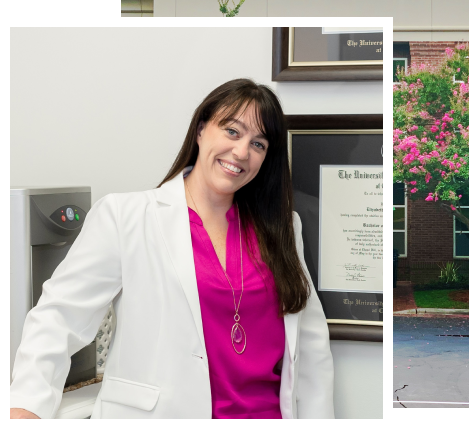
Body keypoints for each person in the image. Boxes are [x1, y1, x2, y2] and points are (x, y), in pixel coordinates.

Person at [10, 79, 334, 419]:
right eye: (232, 132)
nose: (242, 152)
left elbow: (312, 350)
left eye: (259, 143)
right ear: (201, 129)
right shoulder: (126, 217)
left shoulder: (282, 228)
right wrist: (25, 408)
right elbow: (59, 317)